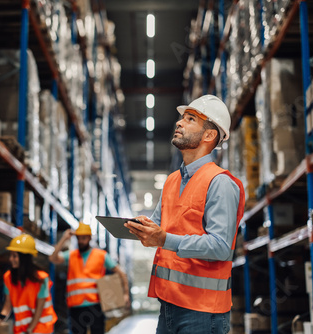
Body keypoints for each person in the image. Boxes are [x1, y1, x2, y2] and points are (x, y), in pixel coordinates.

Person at [125, 95, 245, 334]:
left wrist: (163, 239)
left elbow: (221, 246)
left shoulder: (220, 183)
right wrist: (142, 228)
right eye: (182, 118)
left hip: (203, 311)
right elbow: (160, 226)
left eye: (190, 119)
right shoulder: (172, 181)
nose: (179, 123)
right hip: (168, 304)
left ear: (209, 136)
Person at [49, 222, 130, 334]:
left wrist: (125, 294)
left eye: (83, 238)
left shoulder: (101, 255)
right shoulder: (71, 255)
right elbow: (53, 258)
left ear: (89, 238)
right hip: (75, 306)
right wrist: (64, 238)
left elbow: (121, 273)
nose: (81, 241)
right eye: (78, 238)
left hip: (95, 306)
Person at [0, 234, 57, 334]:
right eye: (10, 255)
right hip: (22, 329)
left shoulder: (41, 278)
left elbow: (39, 310)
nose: (10, 259)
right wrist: (0, 319)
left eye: (14, 256)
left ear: (24, 258)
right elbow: (7, 305)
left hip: (41, 328)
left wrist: (29, 330)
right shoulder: (8, 277)